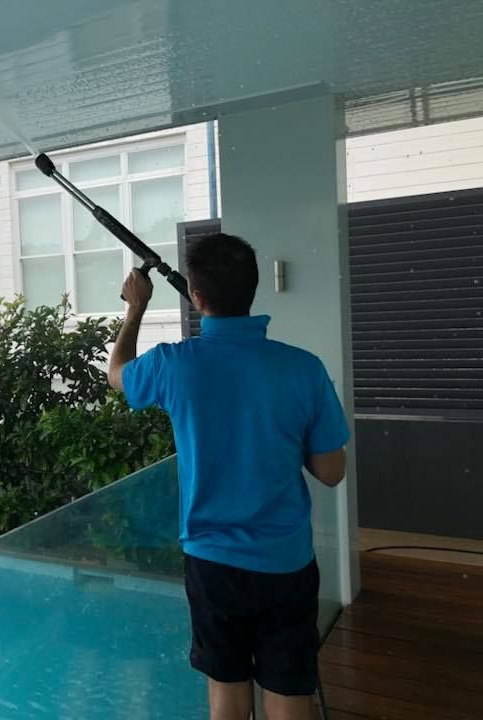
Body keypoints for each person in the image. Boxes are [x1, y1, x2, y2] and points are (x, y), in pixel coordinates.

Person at [107, 233, 349, 720]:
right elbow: (330, 471)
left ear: (196, 296)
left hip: (212, 563)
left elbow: (118, 374)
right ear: (254, 289)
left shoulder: (175, 364)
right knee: (288, 692)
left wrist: (135, 309)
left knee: (227, 694)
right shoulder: (303, 369)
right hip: (286, 562)